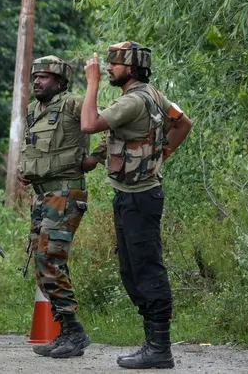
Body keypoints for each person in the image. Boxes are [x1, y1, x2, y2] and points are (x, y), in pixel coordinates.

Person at [81, 42, 192, 370]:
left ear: (131, 68)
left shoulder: (132, 101)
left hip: (140, 197)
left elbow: (89, 124)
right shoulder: (154, 95)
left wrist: (91, 84)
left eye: (114, 64)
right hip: (133, 195)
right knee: (132, 270)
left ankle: (160, 348)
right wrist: (159, 155)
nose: (108, 69)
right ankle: (153, 344)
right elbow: (183, 123)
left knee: (146, 269)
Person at [20, 55, 100, 359]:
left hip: (65, 193)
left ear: (60, 81)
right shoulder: (33, 111)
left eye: (45, 77)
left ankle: (74, 332)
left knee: (51, 259)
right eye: (36, 76)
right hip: (42, 195)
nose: (38, 82)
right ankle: (66, 330)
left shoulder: (73, 104)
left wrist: (97, 157)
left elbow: (110, 125)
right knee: (42, 265)